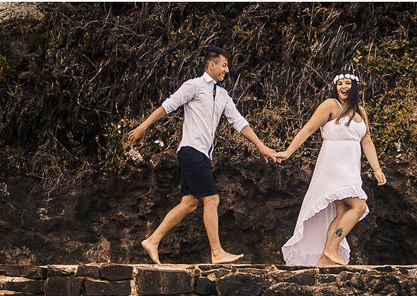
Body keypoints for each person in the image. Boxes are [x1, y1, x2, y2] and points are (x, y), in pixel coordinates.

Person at [127, 47, 278, 265]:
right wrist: (143, 127)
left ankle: (152, 240)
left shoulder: (223, 95)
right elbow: (168, 106)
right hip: (191, 151)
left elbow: (239, 122)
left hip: (202, 155)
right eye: (224, 65)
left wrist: (261, 146)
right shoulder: (194, 86)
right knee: (212, 199)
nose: (227, 70)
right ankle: (216, 252)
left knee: (189, 204)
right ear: (211, 65)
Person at [277, 72, 387, 266]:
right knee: (359, 206)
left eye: (347, 83)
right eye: (339, 84)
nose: (343, 87)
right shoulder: (330, 105)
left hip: (351, 168)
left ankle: (324, 258)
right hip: (333, 165)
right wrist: (288, 152)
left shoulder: (361, 111)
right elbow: (308, 129)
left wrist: (377, 169)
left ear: (355, 87)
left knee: (344, 211)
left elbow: (367, 141)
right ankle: (330, 249)